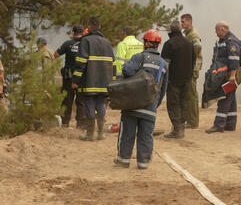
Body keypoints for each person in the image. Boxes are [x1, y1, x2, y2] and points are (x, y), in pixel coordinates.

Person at [114, 29, 168, 169]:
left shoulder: (138, 58)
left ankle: (123, 160)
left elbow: (126, 71)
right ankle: (143, 162)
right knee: (146, 135)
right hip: (150, 106)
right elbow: (163, 88)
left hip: (132, 105)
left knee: (127, 133)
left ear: (145, 43)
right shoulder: (163, 64)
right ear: (157, 45)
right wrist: (155, 103)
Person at [72, 17, 116, 141]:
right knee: (101, 104)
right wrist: (112, 82)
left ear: (89, 26)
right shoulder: (107, 43)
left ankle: (90, 134)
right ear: (100, 27)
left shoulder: (85, 41)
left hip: (90, 80)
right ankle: (100, 133)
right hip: (105, 82)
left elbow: (80, 62)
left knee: (89, 104)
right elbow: (113, 64)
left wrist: (75, 80)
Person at [161, 20, 195, 138]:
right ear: (180, 29)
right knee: (184, 103)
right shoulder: (189, 43)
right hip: (187, 79)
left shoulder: (169, 44)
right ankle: (181, 128)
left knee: (173, 104)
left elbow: (164, 64)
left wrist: (162, 80)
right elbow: (193, 61)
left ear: (171, 30)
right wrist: (189, 75)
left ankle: (177, 130)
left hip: (173, 80)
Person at [206, 21, 241, 134]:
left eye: (217, 30)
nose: (216, 33)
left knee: (224, 98)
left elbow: (234, 59)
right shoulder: (222, 41)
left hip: (228, 76)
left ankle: (219, 125)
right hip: (223, 75)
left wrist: (232, 76)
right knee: (231, 99)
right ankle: (230, 124)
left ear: (222, 29)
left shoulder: (231, 41)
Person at [54, 25, 86, 128]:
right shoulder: (85, 45)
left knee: (67, 100)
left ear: (73, 33)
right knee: (81, 101)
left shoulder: (68, 43)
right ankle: (80, 124)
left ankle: (65, 123)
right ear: (83, 33)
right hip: (82, 77)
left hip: (69, 77)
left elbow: (56, 55)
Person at [181, 13, 202, 129]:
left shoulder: (193, 34)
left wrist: (189, 57)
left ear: (189, 22)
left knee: (192, 95)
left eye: (183, 22)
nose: (182, 24)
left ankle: (193, 122)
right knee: (188, 94)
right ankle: (189, 119)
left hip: (192, 69)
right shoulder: (187, 34)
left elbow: (198, 47)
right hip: (189, 68)